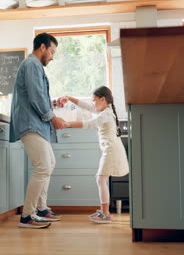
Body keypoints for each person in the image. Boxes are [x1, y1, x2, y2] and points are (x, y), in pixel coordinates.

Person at [9, 33, 66, 229]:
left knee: (49, 163)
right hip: (30, 124)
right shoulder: (32, 64)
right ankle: (28, 216)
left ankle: (41, 209)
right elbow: (35, 96)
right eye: (51, 51)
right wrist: (53, 117)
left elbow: (36, 96)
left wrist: (53, 104)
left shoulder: (34, 66)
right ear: (42, 47)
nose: (52, 56)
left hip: (35, 123)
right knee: (43, 166)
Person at [58, 86, 129, 223]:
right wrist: (68, 97)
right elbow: (87, 107)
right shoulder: (104, 110)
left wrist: (67, 123)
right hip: (110, 150)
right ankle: (104, 212)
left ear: (103, 99)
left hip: (111, 151)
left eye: (94, 100)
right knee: (101, 179)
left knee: (100, 179)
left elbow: (90, 124)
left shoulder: (106, 114)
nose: (92, 103)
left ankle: (105, 214)